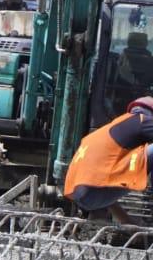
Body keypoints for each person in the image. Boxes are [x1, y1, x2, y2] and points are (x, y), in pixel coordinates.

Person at [63, 96, 153, 225]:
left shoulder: (108, 129)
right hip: (93, 194)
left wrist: (126, 220)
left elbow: (102, 181)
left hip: (81, 196)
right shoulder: (142, 120)